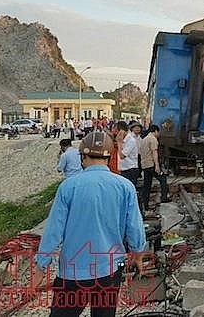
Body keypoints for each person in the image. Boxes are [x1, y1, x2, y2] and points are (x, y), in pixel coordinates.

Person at [33, 131, 145, 317]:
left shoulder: (68, 187)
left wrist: (41, 265)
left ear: (83, 157)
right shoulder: (125, 186)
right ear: (110, 156)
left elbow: (53, 231)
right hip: (109, 269)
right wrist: (138, 255)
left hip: (73, 272)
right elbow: (134, 227)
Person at [140, 125, 169, 210]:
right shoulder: (153, 139)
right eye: (158, 132)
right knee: (163, 178)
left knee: (147, 185)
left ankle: (145, 205)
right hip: (151, 165)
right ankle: (164, 197)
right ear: (156, 131)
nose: (158, 134)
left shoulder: (144, 139)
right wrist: (157, 166)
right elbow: (154, 153)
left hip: (145, 165)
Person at [119, 121, 141, 188]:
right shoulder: (126, 139)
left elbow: (122, 156)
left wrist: (119, 142)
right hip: (125, 168)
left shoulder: (131, 140)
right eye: (136, 127)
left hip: (130, 169)